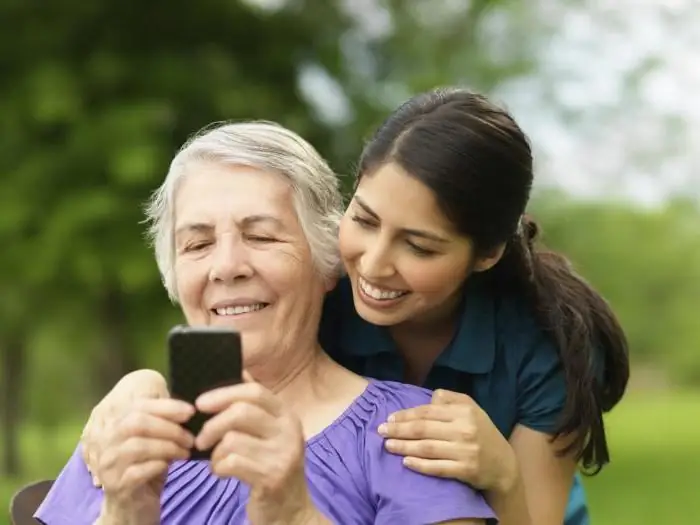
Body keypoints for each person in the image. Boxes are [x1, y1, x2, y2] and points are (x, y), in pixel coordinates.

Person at [79, 88, 630, 525]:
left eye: (418, 245)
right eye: (364, 220)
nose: (371, 264)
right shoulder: (328, 290)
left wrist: (503, 476)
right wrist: (141, 384)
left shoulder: (547, 349)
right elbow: (227, 332)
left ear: (484, 254)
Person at [34, 121, 495, 525]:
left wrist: (295, 514)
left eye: (260, 236)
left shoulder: (411, 434)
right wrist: (123, 516)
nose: (227, 266)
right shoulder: (126, 426)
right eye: (197, 245)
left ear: (327, 262)